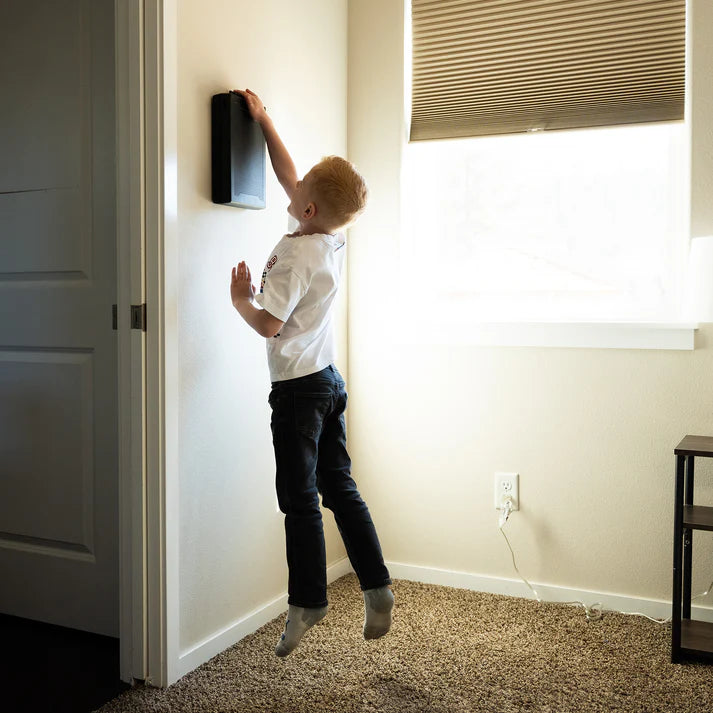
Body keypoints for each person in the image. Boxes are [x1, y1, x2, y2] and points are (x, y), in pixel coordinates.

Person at [229, 88, 394, 658]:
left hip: (298, 391)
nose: (290, 187)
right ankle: (377, 586)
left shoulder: (297, 255)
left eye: (298, 193)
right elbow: (293, 175)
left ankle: (309, 601)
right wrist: (264, 121)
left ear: (308, 210)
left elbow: (269, 326)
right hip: (328, 381)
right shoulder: (328, 239)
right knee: (340, 486)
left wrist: (240, 300)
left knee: (297, 498)